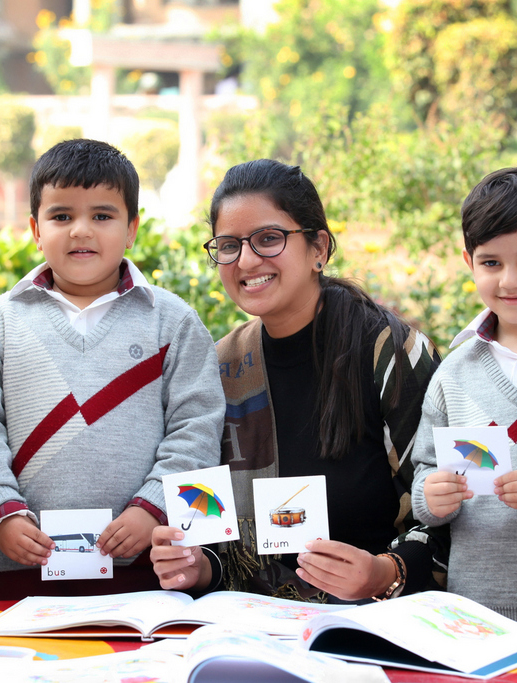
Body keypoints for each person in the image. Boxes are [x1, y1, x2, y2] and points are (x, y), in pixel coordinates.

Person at [151, 159, 442, 602]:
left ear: (318, 248)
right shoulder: (224, 366)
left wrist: (385, 573)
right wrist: (196, 566)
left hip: (375, 631)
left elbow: (448, 506)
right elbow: (218, 541)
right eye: (228, 245)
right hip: (252, 629)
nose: (246, 260)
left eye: (269, 239)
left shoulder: (388, 352)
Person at [0, 139, 224, 601]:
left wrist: (153, 509)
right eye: (61, 216)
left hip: (147, 570)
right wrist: (0, 513)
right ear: (35, 230)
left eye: (102, 216)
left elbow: (197, 425)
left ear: (132, 229)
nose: (81, 230)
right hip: (21, 571)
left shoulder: (172, 320)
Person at [408, 168, 517, 641]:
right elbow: (424, 470)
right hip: (472, 614)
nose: (509, 280)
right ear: (469, 261)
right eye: (490, 263)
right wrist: (432, 497)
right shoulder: (454, 371)